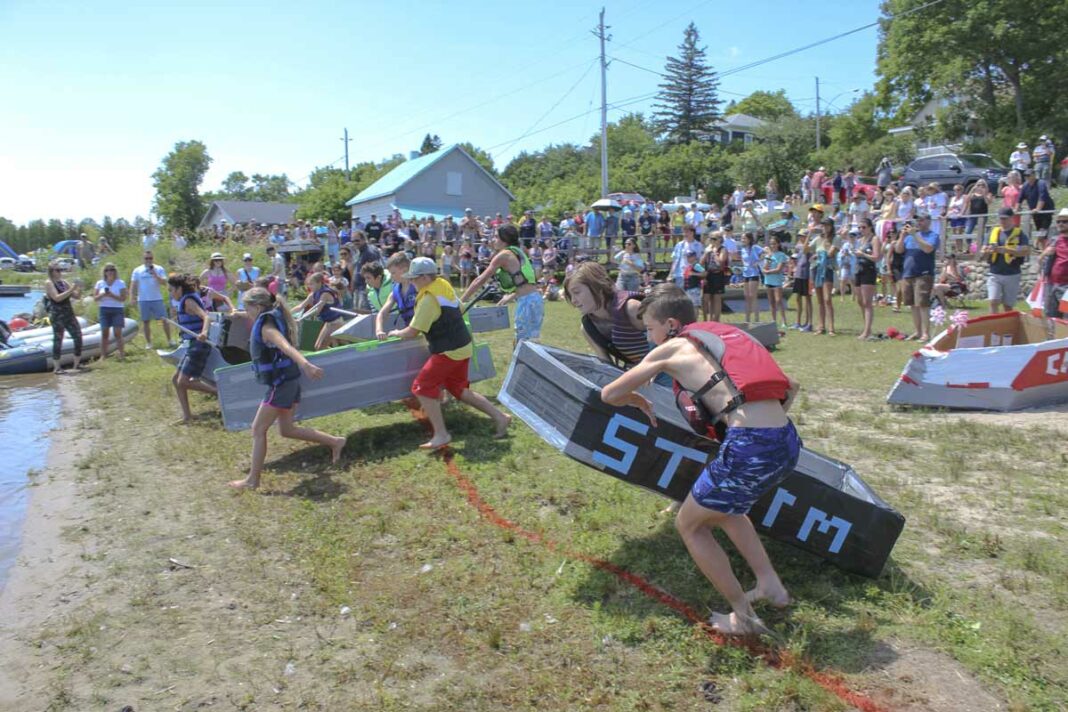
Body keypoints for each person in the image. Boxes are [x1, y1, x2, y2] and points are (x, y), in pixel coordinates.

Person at [601, 284, 801, 636]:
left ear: (672, 325)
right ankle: (771, 585)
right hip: (786, 440)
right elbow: (792, 385)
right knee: (726, 508)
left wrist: (636, 400)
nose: (649, 338)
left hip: (750, 445)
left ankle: (743, 617)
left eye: (649, 329)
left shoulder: (672, 349)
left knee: (690, 524)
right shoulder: (723, 337)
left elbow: (610, 393)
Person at [386, 257, 511, 450]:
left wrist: (395, 333)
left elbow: (412, 332)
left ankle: (441, 434)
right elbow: (460, 308)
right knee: (459, 389)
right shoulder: (444, 287)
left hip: (449, 351)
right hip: (462, 345)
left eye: (414, 278)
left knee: (422, 387)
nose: (411, 282)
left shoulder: (428, 299)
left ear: (426, 277)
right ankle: (500, 417)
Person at [228, 287, 345, 489]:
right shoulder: (271, 318)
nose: (247, 314)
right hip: (287, 381)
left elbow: (285, 347)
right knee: (287, 429)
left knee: (258, 429)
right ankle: (336, 441)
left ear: (257, 307)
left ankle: (252, 480)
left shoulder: (266, 326)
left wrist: (305, 364)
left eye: (247, 310)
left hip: (281, 384)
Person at [462, 224, 544, 344]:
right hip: (535, 300)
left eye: (496, 237)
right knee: (531, 342)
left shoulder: (503, 255)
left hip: (526, 303)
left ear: (504, 239)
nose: (493, 240)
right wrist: (510, 296)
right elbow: (525, 283)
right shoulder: (518, 252)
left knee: (523, 345)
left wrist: (461, 301)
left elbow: (480, 280)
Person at [563, 261, 652, 369]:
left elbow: (670, 342)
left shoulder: (631, 309)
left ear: (597, 287)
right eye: (570, 295)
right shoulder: (589, 328)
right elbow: (607, 367)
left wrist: (648, 368)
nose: (573, 301)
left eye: (576, 292)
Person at [168, 274, 218, 423]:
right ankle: (187, 416)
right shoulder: (185, 300)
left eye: (171, 290)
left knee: (183, 381)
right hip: (191, 344)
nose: (170, 293)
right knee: (176, 379)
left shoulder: (189, 300)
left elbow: (206, 317)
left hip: (198, 345)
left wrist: (203, 332)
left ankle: (219, 393)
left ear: (179, 289)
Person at [894, 213, 940, 340]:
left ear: (928, 221)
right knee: (912, 304)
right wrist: (902, 237)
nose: (919, 222)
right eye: (917, 220)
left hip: (923, 273)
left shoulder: (933, 236)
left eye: (921, 220)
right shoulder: (909, 237)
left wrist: (915, 235)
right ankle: (918, 331)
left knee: (922, 303)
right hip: (908, 273)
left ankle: (926, 333)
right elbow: (898, 250)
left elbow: (928, 249)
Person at [981, 207, 1030, 313]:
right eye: (1001, 218)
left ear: (1012, 218)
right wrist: (986, 251)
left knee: (1008, 306)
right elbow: (982, 253)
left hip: (1012, 274)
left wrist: (1006, 250)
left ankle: (1007, 327)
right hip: (994, 273)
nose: (1002, 221)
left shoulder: (1019, 233)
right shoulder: (992, 233)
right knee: (993, 301)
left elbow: (1025, 250)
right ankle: (994, 327)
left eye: (1005, 218)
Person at [130, 250, 174, 348]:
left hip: (157, 298)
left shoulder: (159, 268)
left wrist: (155, 274)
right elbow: (133, 284)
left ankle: (170, 340)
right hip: (143, 299)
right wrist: (132, 297)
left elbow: (164, 282)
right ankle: (149, 343)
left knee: (164, 320)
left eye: (150, 258)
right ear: (143, 259)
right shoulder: (137, 270)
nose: (148, 260)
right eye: (146, 258)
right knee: (145, 321)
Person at [44, 264, 83, 373]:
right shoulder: (49, 283)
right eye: (58, 270)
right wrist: (72, 289)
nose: (60, 272)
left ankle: (77, 364)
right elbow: (57, 298)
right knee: (58, 339)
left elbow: (76, 296)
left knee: (78, 336)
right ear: (52, 272)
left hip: (68, 313)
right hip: (57, 314)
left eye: (61, 270)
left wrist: (79, 287)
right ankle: (57, 367)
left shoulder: (64, 282)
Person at [375, 252, 418, 337]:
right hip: (409, 333)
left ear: (405, 270)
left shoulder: (418, 285)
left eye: (393, 273)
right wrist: (379, 330)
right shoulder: (395, 291)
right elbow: (382, 314)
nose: (391, 277)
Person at [296, 272, 343, 350]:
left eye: (311, 284)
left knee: (321, 347)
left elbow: (317, 311)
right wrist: (287, 313)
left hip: (335, 322)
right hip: (328, 323)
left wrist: (301, 319)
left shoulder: (325, 294)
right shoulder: (313, 294)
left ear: (319, 283)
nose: (309, 286)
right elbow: (300, 306)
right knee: (317, 347)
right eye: (308, 284)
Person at [853, 219, 881, 340]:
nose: (861, 230)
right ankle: (866, 327)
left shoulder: (874, 239)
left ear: (870, 227)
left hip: (868, 270)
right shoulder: (860, 241)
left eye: (863, 227)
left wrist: (863, 254)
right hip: (859, 269)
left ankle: (867, 331)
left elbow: (876, 257)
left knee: (867, 302)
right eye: (859, 228)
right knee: (860, 301)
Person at [1040, 209, 1068, 328]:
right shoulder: (1054, 240)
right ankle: (1051, 343)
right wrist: (1044, 254)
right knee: (1050, 317)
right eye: (1058, 221)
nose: (1060, 224)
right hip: (1051, 284)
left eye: (1064, 221)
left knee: (1066, 318)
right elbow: (1040, 261)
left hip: (1066, 287)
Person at [94, 262, 127, 361]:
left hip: (117, 309)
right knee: (105, 333)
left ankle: (121, 354)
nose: (109, 272)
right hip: (104, 309)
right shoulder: (100, 283)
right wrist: (103, 294)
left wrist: (111, 295)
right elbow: (95, 298)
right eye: (107, 270)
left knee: (118, 332)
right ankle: (103, 355)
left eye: (112, 269)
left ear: (115, 271)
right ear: (104, 272)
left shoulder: (120, 283)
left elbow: (123, 298)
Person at [810, 219, 838, 335]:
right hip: (816, 268)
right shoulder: (817, 239)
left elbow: (830, 253)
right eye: (823, 226)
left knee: (827, 299)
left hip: (827, 268)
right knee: (820, 299)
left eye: (827, 226)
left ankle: (831, 327)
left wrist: (822, 250)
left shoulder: (835, 239)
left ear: (831, 227)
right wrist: (809, 234)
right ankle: (821, 326)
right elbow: (807, 249)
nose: (825, 228)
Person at [1019, 168, 1055, 245]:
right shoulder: (1025, 185)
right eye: (1025, 176)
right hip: (1036, 214)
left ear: (1034, 175)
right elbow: (1020, 198)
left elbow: (1042, 196)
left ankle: (1036, 243)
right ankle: (1042, 249)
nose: (1027, 177)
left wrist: (1038, 209)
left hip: (1045, 212)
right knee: (1041, 233)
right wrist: (1016, 208)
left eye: (1028, 175)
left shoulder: (1041, 183)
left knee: (1043, 232)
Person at [761, 236, 789, 329]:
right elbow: (765, 267)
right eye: (771, 244)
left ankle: (784, 321)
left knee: (778, 301)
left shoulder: (781, 255)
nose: (772, 245)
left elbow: (778, 269)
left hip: (776, 281)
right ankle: (773, 321)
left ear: (778, 244)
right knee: (771, 302)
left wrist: (767, 272)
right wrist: (769, 257)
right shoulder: (768, 255)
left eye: (774, 243)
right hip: (768, 280)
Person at [739, 232, 763, 323]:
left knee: (753, 296)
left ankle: (756, 319)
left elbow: (765, 253)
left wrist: (758, 262)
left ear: (749, 239)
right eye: (742, 238)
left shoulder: (755, 247)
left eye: (744, 238)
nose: (742, 240)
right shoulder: (743, 249)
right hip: (745, 274)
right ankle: (747, 320)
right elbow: (744, 261)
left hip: (754, 273)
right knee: (747, 296)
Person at [791, 232, 813, 331]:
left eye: (803, 236)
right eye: (800, 236)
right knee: (798, 298)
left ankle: (808, 323)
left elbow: (806, 250)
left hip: (806, 275)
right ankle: (798, 322)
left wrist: (808, 236)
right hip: (799, 275)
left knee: (807, 299)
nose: (801, 237)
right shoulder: (798, 246)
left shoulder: (809, 246)